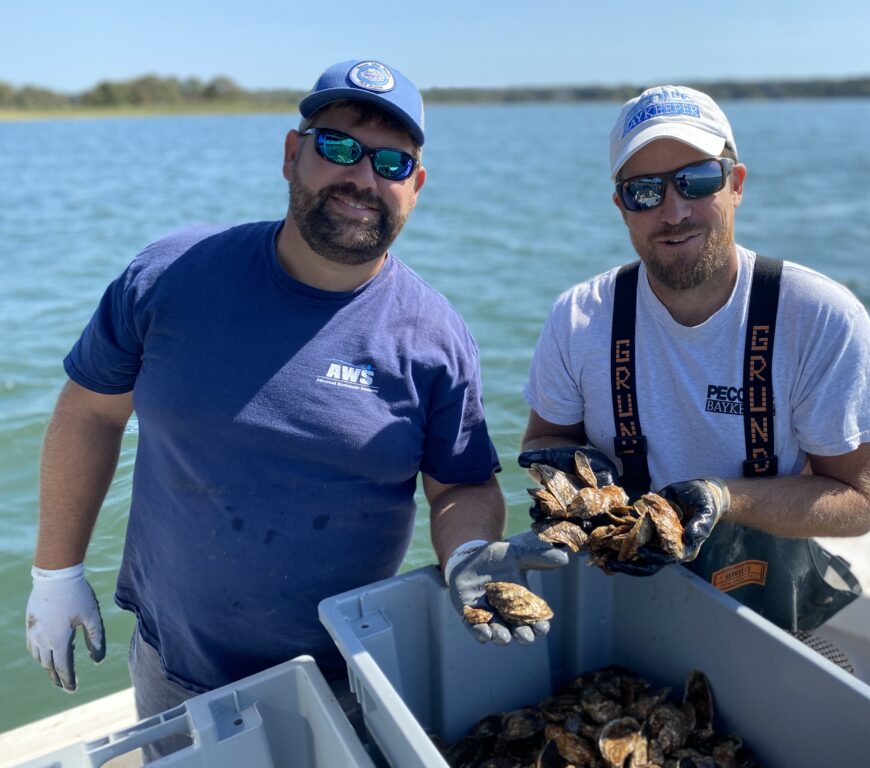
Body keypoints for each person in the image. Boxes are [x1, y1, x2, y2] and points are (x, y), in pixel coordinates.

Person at [25, 58, 560, 743]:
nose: (362, 178)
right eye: (338, 147)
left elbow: (459, 484)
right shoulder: (171, 275)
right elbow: (89, 412)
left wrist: (468, 557)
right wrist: (56, 572)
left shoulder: (434, 337)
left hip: (343, 674)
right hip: (173, 666)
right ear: (291, 153)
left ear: (415, 187)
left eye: (392, 164)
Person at [519, 85, 870, 625]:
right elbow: (542, 441)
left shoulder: (820, 317)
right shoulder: (579, 317)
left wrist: (724, 498)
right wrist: (573, 478)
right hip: (616, 597)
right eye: (644, 191)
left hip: (761, 608)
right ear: (621, 206)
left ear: (736, 184)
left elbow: (861, 501)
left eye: (697, 180)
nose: (674, 211)